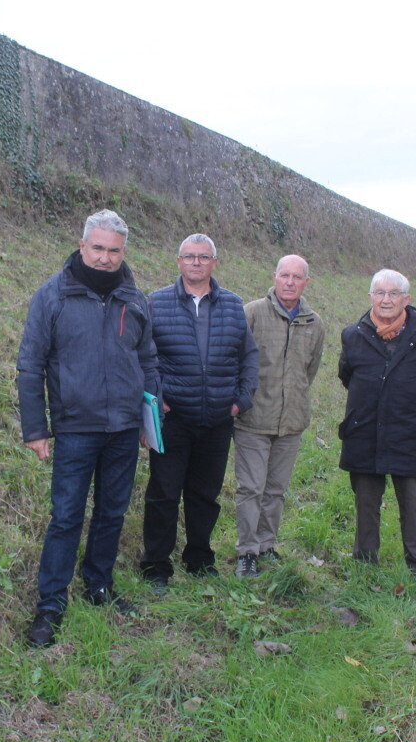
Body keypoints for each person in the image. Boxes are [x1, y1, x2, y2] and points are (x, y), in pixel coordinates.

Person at [16, 209, 160, 646]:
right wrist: (35, 428)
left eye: (114, 250)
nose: (104, 257)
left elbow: (148, 360)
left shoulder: (134, 298)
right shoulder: (52, 296)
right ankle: (51, 604)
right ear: (82, 246)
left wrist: (149, 421)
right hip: (76, 428)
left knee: (112, 512)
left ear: (123, 252)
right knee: (66, 516)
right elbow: (30, 364)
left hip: (123, 429)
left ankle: (99, 585)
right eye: (97, 247)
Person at [139, 234, 259, 589]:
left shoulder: (233, 305)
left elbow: (249, 355)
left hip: (218, 420)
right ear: (179, 261)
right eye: (189, 256)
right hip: (173, 418)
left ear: (214, 263)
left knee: (205, 495)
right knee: (163, 493)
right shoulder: (156, 302)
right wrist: (157, 397)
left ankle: (199, 559)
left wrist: (241, 399)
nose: (196, 262)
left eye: (203, 257)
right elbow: (144, 355)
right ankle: (156, 566)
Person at [337, 269, 416, 578]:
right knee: (366, 502)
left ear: (406, 299)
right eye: (380, 293)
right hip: (363, 430)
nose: (386, 300)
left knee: (415, 503)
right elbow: (347, 375)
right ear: (370, 297)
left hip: (409, 431)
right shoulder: (352, 335)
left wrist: (409, 405)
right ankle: (364, 564)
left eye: (394, 293)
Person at [232, 255, 326, 577]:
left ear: (306, 282)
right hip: (253, 420)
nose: (289, 282)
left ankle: (266, 545)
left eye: (297, 277)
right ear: (274, 277)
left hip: (291, 423)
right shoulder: (252, 313)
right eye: (284, 275)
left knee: (275, 490)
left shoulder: (315, 324)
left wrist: (292, 400)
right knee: (251, 488)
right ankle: (246, 552)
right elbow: (236, 361)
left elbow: (309, 371)